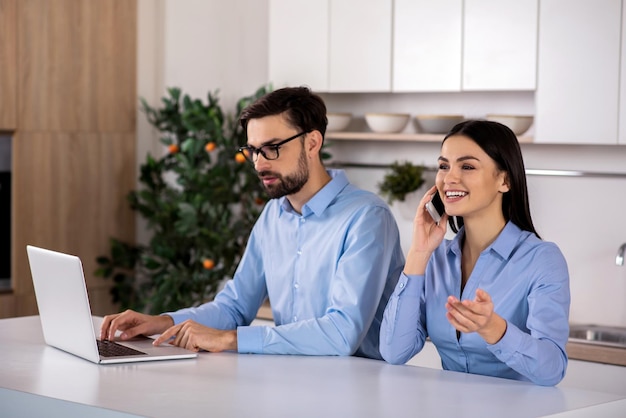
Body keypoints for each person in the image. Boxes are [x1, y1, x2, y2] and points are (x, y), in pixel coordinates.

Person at [101, 86, 405, 359]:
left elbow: (341, 333)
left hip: (361, 390)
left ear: (312, 143)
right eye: (253, 150)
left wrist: (230, 339)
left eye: (272, 148)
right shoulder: (273, 215)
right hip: (293, 379)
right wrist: (162, 322)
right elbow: (235, 306)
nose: (259, 163)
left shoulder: (367, 218)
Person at [379, 120, 570, 386]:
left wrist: (494, 329)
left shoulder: (542, 260)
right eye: (444, 166)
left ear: (504, 180)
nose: (449, 178)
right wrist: (418, 253)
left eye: (467, 166)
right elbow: (394, 351)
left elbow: (552, 369)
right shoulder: (435, 258)